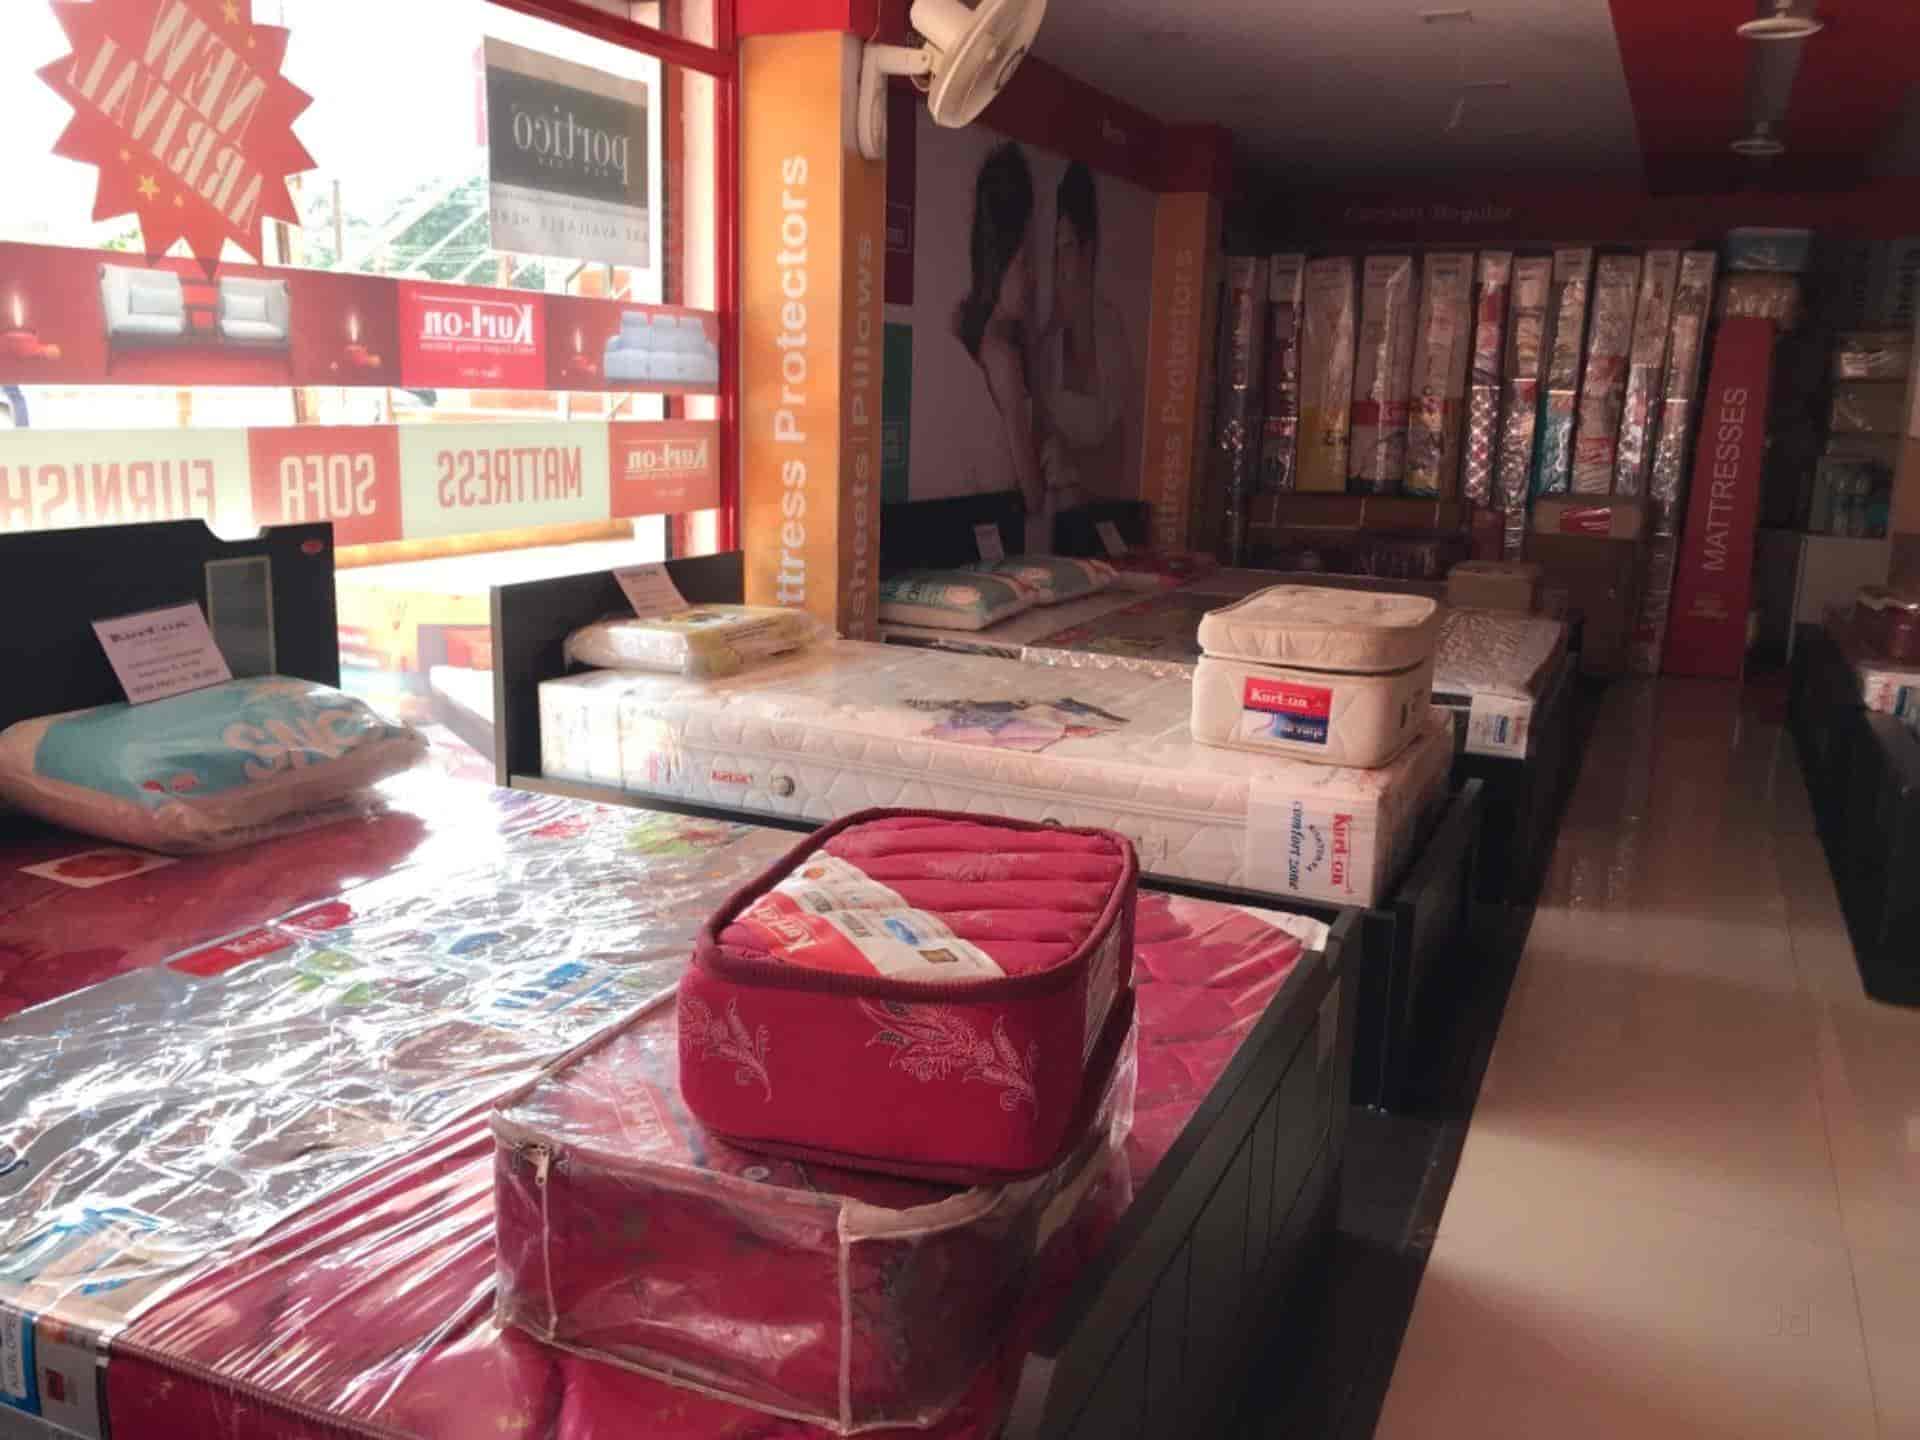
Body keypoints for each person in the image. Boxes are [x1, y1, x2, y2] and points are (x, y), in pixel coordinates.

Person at [951, 142, 1047, 548]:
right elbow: (1034, 495)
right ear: (999, 258)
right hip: (1011, 535)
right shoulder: (1002, 356)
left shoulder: (971, 329)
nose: (1034, 278)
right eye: (1025, 262)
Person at [1035, 162, 1136, 513]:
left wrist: (1076, 467)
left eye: (1066, 248)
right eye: (1053, 251)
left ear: (1088, 251)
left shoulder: (1110, 328)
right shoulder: (1044, 338)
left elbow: (1119, 457)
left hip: (1101, 516)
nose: (1058, 266)